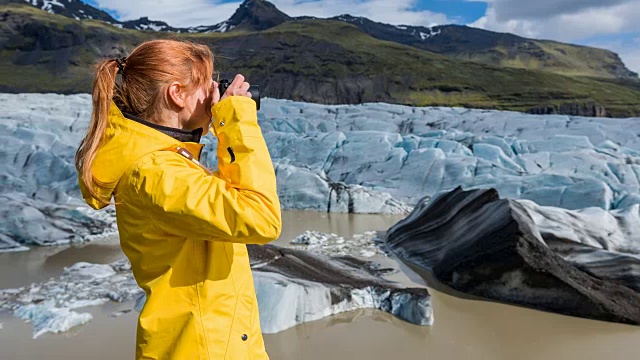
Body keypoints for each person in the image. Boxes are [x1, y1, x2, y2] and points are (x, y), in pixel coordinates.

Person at [74, 39, 282, 359]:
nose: (215, 91)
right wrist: (236, 118)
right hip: (201, 348)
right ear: (176, 93)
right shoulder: (156, 173)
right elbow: (260, 216)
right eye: (206, 83)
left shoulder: (165, 162)